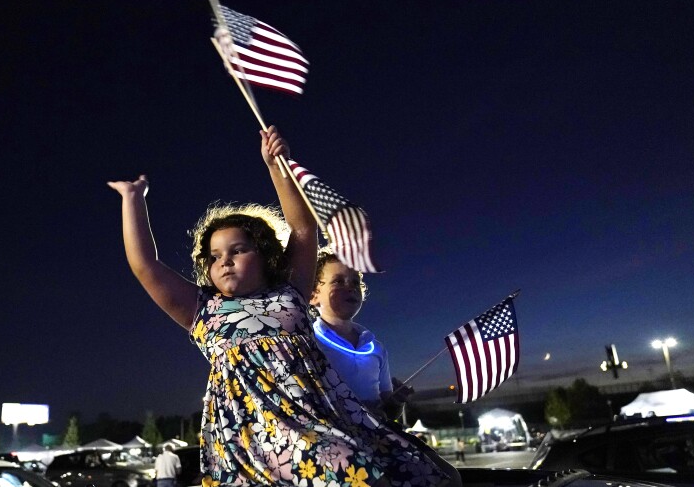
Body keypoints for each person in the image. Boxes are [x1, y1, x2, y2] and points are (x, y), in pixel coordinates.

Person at [108, 126, 455, 487]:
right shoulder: (203, 310)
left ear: (265, 255)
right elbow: (145, 265)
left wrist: (277, 167)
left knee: (431, 473)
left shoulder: (290, 292)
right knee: (353, 472)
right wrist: (133, 199)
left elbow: (303, 228)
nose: (224, 261)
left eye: (238, 250)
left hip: (324, 417)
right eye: (214, 256)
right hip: (260, 434)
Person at [309, 247, 412, 419]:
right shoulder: (308, 344)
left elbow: (389, 411)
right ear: (313, 296)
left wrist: (396, 402)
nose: (350, 287)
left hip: (374, 442)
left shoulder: (376, 348)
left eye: (355, 282)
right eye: (338, 281)